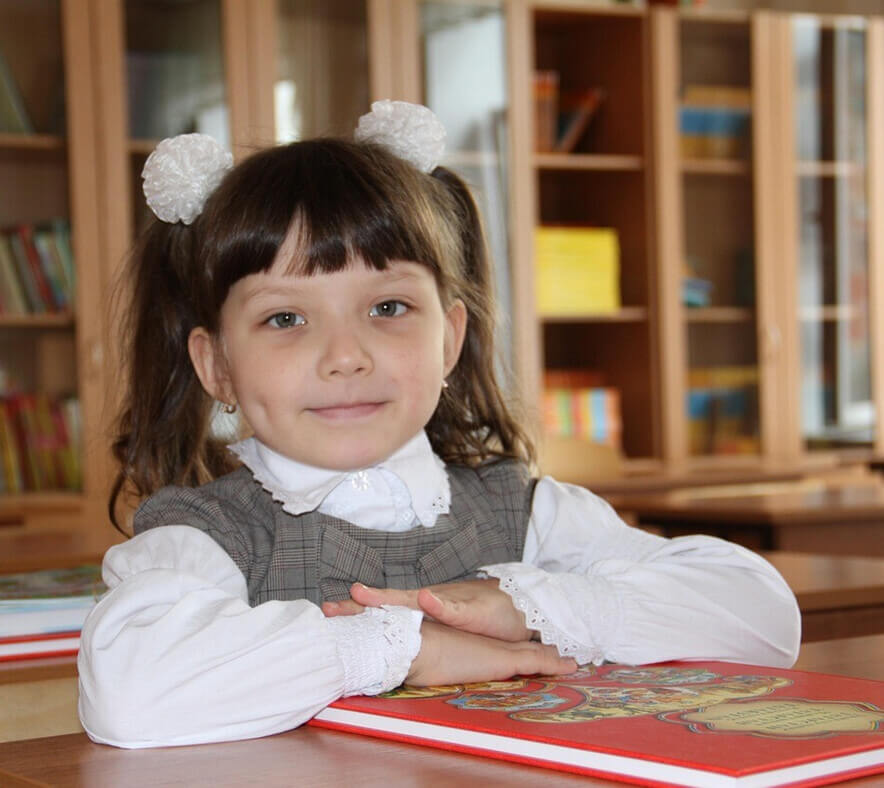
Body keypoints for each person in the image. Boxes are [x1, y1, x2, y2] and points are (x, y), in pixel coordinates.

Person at [78, 101, 800, 749]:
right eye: (285, 318)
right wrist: (403, 648)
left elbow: (765, 620)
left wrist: (528, 605)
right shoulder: (204, 538)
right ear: (217, 366)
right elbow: (127, 692)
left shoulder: (524, 511)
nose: (346, 357)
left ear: (449, 339)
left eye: (388, 308)